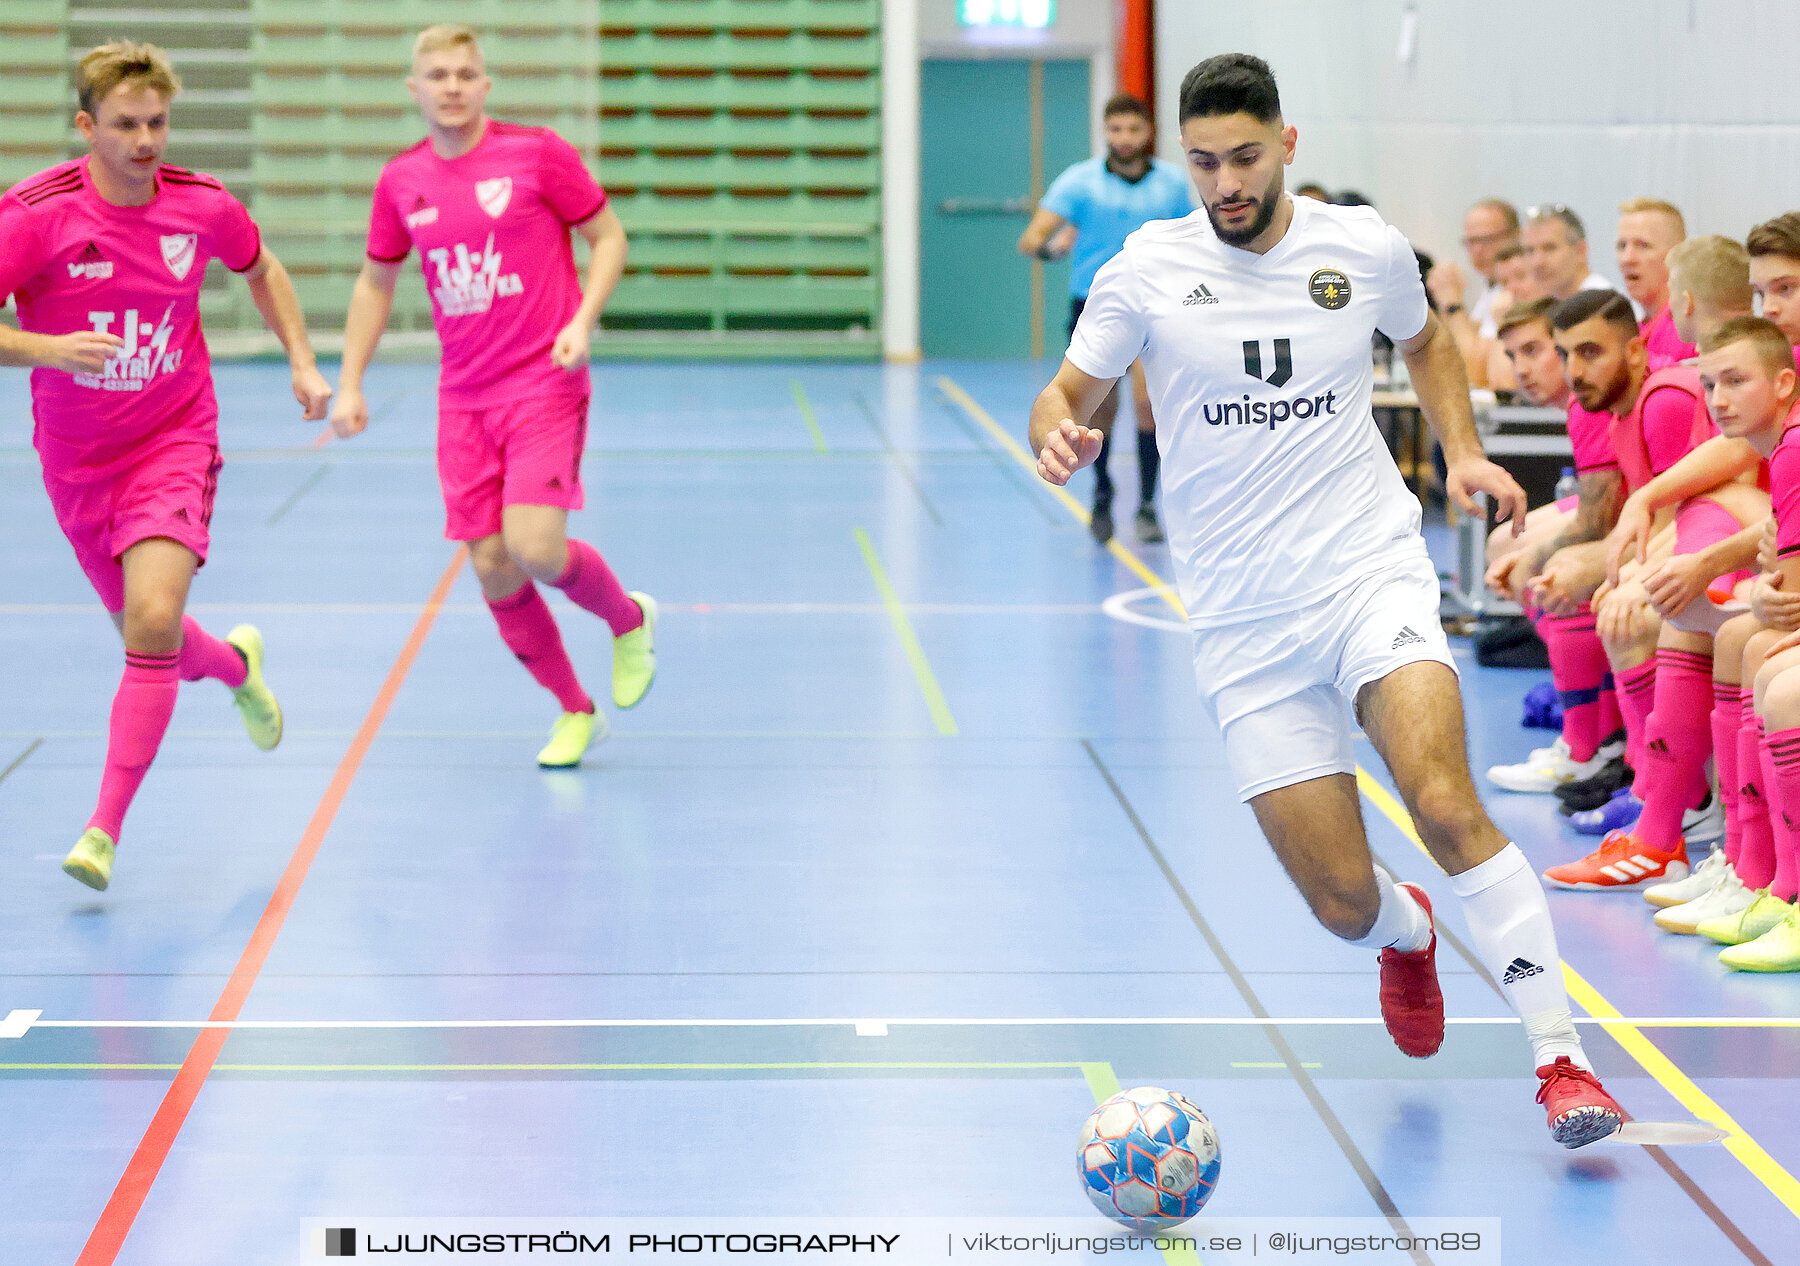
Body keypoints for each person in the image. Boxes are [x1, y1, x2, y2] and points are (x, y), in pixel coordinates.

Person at [1028, 53, 1622, 1148]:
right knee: (1343, 902)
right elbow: (1071, 388)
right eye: (1203, 162)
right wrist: (1058, 430)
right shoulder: (1143, 269)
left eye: (1244, 157)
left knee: (1443, 802)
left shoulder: (1361, 246)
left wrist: (1464, 453)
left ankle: (1562, 1060)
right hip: (1245, 619)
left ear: (1286, 144)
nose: (1226, 183)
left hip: (1367, 567)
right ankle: (1408, 932)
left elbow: (1427, 337)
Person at [0, 41, 330, 891]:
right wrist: (44, 346)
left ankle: (102, 831)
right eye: (125, 125)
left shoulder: (202, 206)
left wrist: (301, 359)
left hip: (174, 438)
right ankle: (238, 667)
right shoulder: (34, 217)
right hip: (76, 464)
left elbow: (264, 270)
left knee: (150, 620)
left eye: (157, 122)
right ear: (86, 127)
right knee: (157, 641)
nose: (147, 140)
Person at [328, 24, 653, 769]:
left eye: (465, 74)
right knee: (493, 566)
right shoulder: (401, 181)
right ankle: (575, 710)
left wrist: (581, 319)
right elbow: (376, 280)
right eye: (436, 74)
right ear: (414, 88)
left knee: (535, 546)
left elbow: (608, 237)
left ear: (486, 84)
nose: (451, 86)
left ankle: (628, 620)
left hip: (544, 380)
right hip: (463, 401)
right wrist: (349, 381)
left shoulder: (536, 154)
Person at [1018, 94, 1195, 545]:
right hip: (1093, 305)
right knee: (1099, 409)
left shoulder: (1172, 185)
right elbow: (1032, 238)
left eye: (1134, 130)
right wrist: (1053, 246)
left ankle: (1147, 504)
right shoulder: (1080, 183)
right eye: (1116, 130)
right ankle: (1101, 493)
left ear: (1148, 133)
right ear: (1105, 132)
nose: (1125, 138)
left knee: (1148, 405)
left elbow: (1192, 241)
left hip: (1158, 307)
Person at [1426, 199, 1520, 388]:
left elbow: (1474, 372)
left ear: (1516, 237)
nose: (1478, 250)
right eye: (1471, 242)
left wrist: (1453, 306)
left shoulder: (1517, 290)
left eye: (1487, 240)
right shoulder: (1491, 289)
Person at [1614, 198, 1692, 369]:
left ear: (1677, 254)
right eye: (1621, 246)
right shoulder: (1630, 332)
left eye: (1642, 245)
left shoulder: (1690, 333)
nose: (1627, 259)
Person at [1522, 206, 1615, 303]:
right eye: (1530, 251)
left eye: (1550, 248)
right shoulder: (1553, 305)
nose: (1538, 262)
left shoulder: (1604, 307)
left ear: (1580, 251)